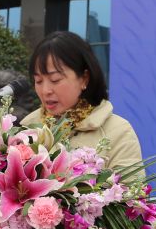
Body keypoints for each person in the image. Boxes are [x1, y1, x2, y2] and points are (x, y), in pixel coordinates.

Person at [21, 31, 143, 170]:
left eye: (55, 80)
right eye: (38, 81)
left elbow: (131, 189)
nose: (45, 90)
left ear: (84, 78)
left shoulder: (118, 132)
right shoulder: (26, 127)